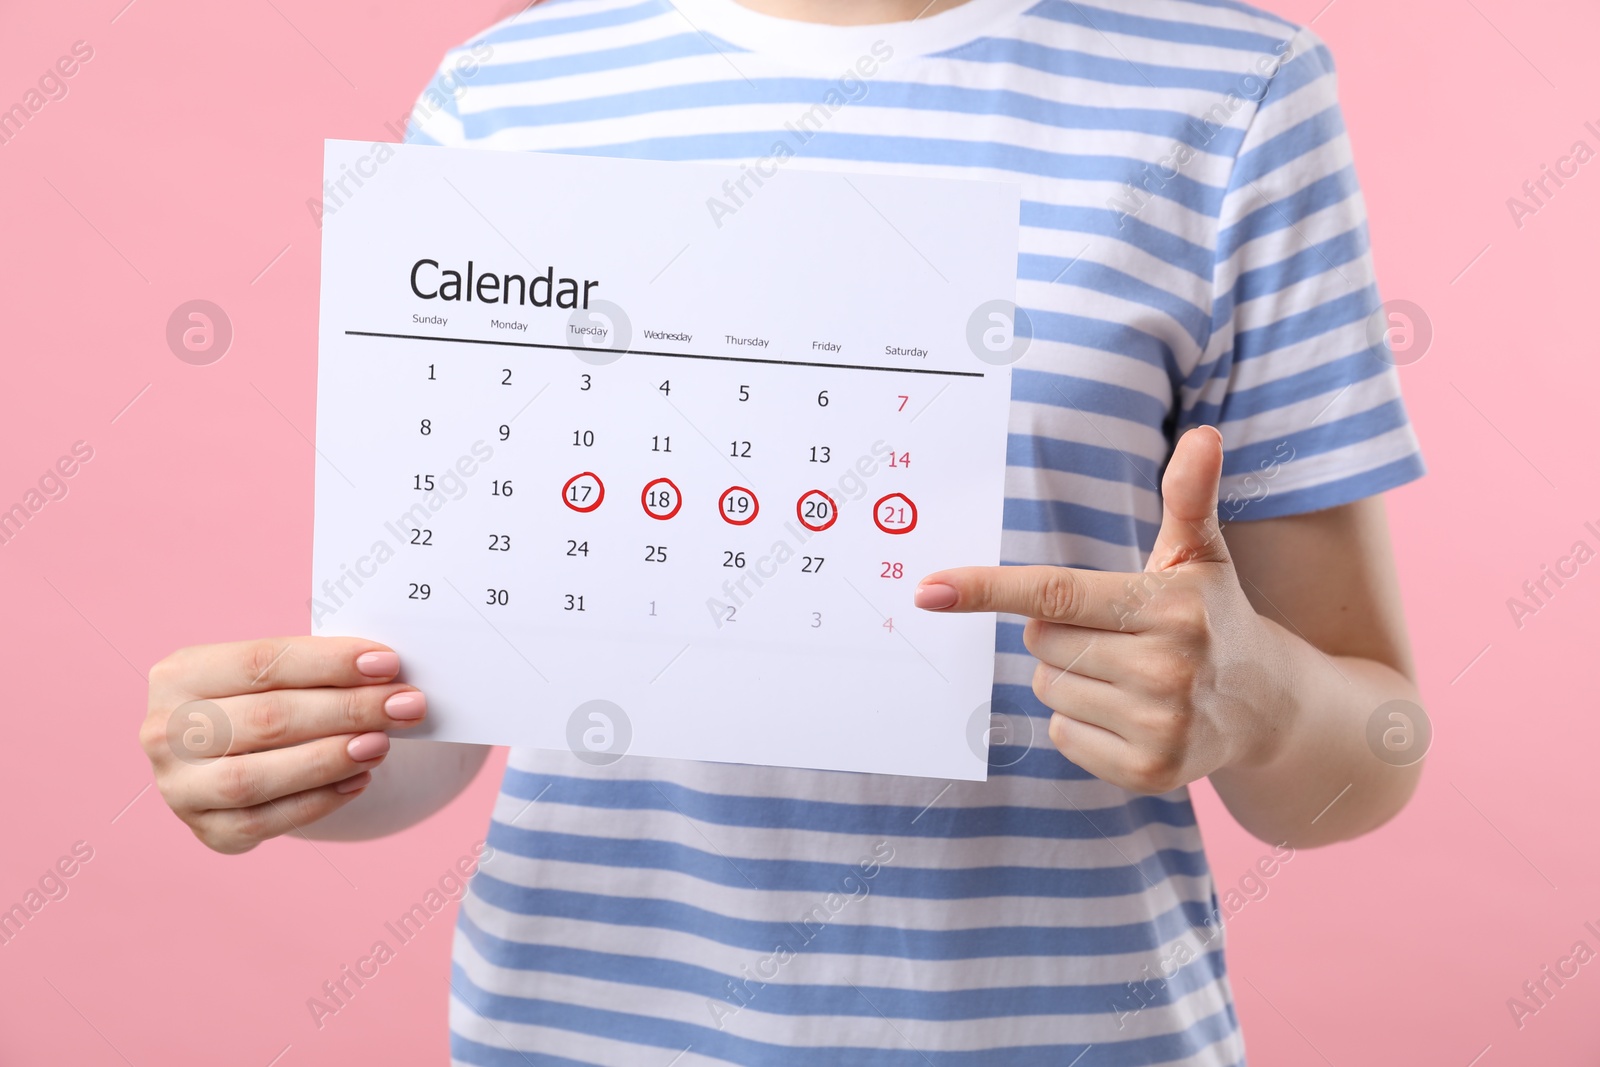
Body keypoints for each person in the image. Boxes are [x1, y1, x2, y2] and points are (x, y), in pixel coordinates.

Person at [140, 0, 1428, 1062]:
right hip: (576, 1032)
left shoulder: (1237, 91)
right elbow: (436, 720)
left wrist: (1250, 699)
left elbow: (1375, 747)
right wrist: (290, 753)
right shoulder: (507, 92)